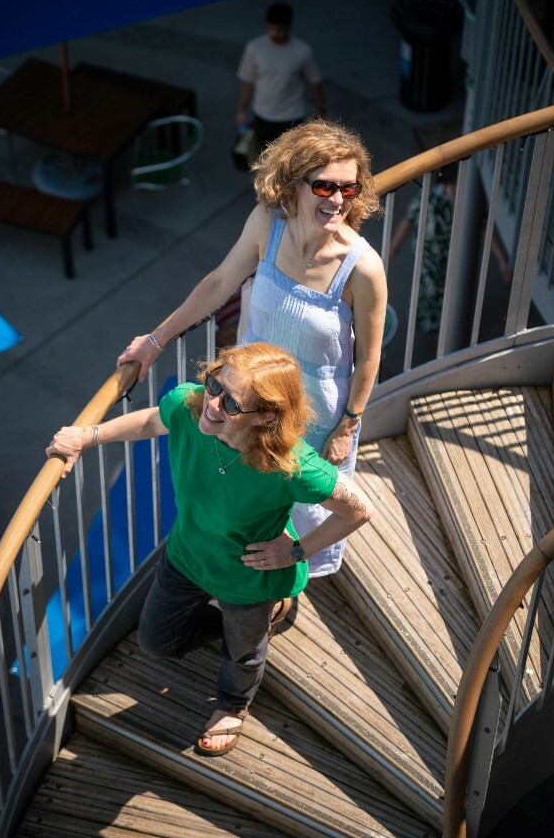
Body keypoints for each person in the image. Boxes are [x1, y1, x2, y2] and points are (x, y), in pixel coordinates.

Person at [47, 343, 371, 756]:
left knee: (243, 657)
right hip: (187, 556)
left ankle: (234, 703)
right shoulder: (189, 405)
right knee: (156, 641)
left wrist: (294, 552)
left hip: (247, 579)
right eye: (215, 383)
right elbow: (151, 421)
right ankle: (267, 619)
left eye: (232, 403)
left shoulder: (290, 465)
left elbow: (359, 511)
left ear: (266, 416)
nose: (213, 404)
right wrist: (88, 436)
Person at [117, 119, 387, 578]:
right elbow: (219, 283)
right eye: (324, 187)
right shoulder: (268, 224)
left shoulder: (363, 269)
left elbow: (369, 358)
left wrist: (349, 423)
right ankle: (233, 578)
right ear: (295, 183)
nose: (338, 199)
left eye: (349, 187)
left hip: (313, 412)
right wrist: (155, 341)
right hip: (243, 395)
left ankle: (284, 587)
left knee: (299, 507)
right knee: (240, 490)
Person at [389, 166, 512, 335]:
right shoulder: (430, 198)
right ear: (447, 185)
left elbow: (483, 228)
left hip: (454, 261)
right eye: (454, 190)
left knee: (454, 297)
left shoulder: (470, 200)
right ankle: (431, 331)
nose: (457, 195)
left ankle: (448, 332)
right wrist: (393, 247)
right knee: (427, 295)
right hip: (428, 261)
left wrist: (502, 259)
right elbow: (408, 221)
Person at [236, 2, 326, 150]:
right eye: (270, 28)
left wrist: (321, 109)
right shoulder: (254, 48)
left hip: (291, 117)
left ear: (288, 27)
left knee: (290, 160)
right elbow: (248, 81)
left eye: (279, 30)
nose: (274, 33)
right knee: (263, 157)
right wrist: (241, 109)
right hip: (262, 114)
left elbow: (314, 81)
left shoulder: (302, 51)